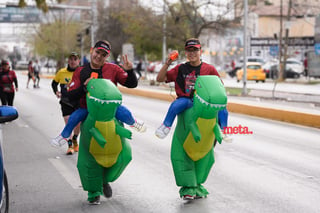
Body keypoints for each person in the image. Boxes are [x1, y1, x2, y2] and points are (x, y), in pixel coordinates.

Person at [50, 40, 146, 148]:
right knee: (74, 117)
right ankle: (63, 136)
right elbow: (70, 96)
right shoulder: (80, 71)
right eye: (97, 52)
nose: (99, 56)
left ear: (107, 57)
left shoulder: (113, 69)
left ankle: (134, 123)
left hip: (109, 108)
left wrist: (130, 71)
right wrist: (84, 87)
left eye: (103, 55)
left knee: (123, 110)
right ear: (92, 51)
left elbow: (131, 84)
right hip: (88, 109)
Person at [155, 38, 229, 139]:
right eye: (189, 50)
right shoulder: (180, 68)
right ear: (186, 52)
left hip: (204, 101)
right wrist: (168, 62)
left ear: (200, 51)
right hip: (187, 100)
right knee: (176, 105)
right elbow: (160, 79)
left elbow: (219, 86)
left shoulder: (209, 69)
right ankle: (165, 126)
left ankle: (224, 130)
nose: (192, 53)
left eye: (195, 50)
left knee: (222, 108)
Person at [51, 52, 81, 155]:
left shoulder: (82, 72)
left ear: (78, 61)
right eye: (71, 59)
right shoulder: (61, 72)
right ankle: (70, 146)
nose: (73, 61)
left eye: (75, 59)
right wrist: (56, 91)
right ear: (68, 60)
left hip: (78, 103)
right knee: (69, 124)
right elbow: (54, 83)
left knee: (78, 125)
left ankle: (75, 139)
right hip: (66, 102)